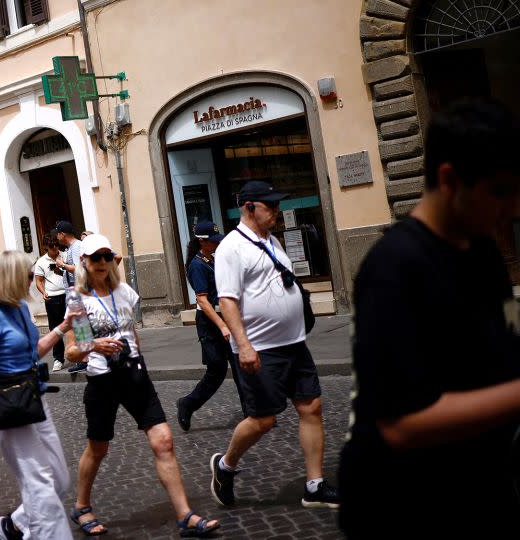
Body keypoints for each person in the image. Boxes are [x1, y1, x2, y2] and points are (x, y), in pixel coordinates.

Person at [338, 99, 520, 537]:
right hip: (407, 506)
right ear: (449, 179)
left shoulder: (484, 252)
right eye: (499, 191)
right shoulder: (394, 266)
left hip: (481, 491)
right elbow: (403, 425)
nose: (513, 208)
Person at [65, 234, 220, 538]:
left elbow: (131, 333)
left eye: (106, 257)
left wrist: (136, 357)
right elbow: (73, 349)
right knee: (98, 448)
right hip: (102, 380)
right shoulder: (77, 299)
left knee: (163, 440)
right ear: (84, 261)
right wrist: (94, 345)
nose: (101, 263)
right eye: (95, 258)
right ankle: (82, 506)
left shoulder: (124, 292)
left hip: (135, 375)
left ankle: (185, 515)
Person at [209, 180, 339, 510]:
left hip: (294, 343)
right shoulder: (230, 248)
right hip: (261, 348)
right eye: (271, 206)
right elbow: (227, 300)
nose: (277, 211)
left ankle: (314, 485)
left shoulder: (273, 240)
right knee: (263, 420)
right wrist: (244, 345)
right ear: (249, 207)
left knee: (312, 407)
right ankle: (225, 466)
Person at [0, 250, 74, 539]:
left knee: (59, 479)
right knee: (40, 485)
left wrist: (63, 327)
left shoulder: (19, 308)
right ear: (10, 278)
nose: (32, 280)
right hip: (12, 406)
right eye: (28, 276)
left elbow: (34, 353)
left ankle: (15, 525)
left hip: (35, 399)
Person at [176, 221, 234, 431]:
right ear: (202, 242)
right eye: (213, 241)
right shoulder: (197, 265)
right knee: (217, 369)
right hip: (210, 323)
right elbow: (202, 300)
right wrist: (222, 326)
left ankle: (254, 412)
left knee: (239, 367)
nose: (217, 243)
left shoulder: (213, 258)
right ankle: (188, 403)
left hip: (226, 317)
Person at [54, 221, 87, 373]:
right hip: (73, 291)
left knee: (79, 325)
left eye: (57, 233)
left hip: (77, 291)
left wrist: (62, 265)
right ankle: (83, 358)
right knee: (77, 325)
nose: (56, 236)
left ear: (63, 234)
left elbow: (78, 269)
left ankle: (85, 359)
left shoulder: (76, 246)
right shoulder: (72, 247)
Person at [34, 236, 67, 371]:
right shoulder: (41, 262)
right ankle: (58, 358)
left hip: (68, 294)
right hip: (52, 298)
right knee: (55, 329)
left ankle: (80, 356)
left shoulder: (65, 255)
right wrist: (43, 292)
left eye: (57, 248)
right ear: (46, 248)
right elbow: (39, 281)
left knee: (75, 325)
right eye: (52, 249)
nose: (55, 251)